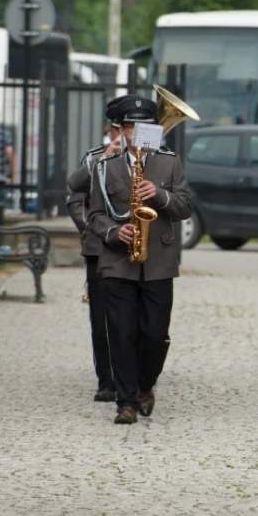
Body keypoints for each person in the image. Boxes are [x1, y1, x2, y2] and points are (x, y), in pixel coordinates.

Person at [86, 95, 193, 424]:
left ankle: (146, 384)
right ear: (121, 130)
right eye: (130, 127)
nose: (136, 133)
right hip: (118, 263)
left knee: (155, 334)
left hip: (158, 260)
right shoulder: (104, 167)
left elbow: (185, 207)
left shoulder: (169, 163)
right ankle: (126, 402)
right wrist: (114, 233)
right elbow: (94, 215)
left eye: (143, 127)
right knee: (120, 332)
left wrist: (158, 195)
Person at [66, 118, 121, 402]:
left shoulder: (152, 158)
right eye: (119, 127)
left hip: (133, 247)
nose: (124, 133)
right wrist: (94, 230)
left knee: (134, 317)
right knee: (100, 318)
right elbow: (76, 200)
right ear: (109, 129)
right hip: (99, 247)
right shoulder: (93, 158)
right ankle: (106, 381)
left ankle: (133, 376)